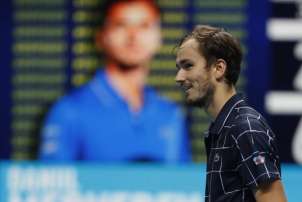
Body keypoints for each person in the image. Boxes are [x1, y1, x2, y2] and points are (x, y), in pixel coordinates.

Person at [38, 0, 190, 162]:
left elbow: (181, 184)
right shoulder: (69, 111)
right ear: (101, 37)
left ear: (159, 37)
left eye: (144, 26)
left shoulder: (170, 114)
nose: (134, 36)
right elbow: (52, 183)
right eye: (121, 25)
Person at [175, 25, 287, 201]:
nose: (179, 77)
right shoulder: (224, 129)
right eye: (179, 67)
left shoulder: (244, 128)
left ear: (219, 68)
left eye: (188, 66)